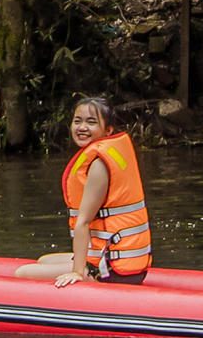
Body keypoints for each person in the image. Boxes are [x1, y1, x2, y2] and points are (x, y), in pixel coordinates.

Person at [16, 95, 155, 285]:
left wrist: (78, 273)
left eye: (91, 122)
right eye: (77, 121)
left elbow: (84, 221)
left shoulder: (99, 165)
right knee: (43, 260)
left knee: (22, 273)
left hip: (113, 270)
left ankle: (88, 274)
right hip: (114, 257)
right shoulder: (103, 155)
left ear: (108, 130)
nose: (82, 128)